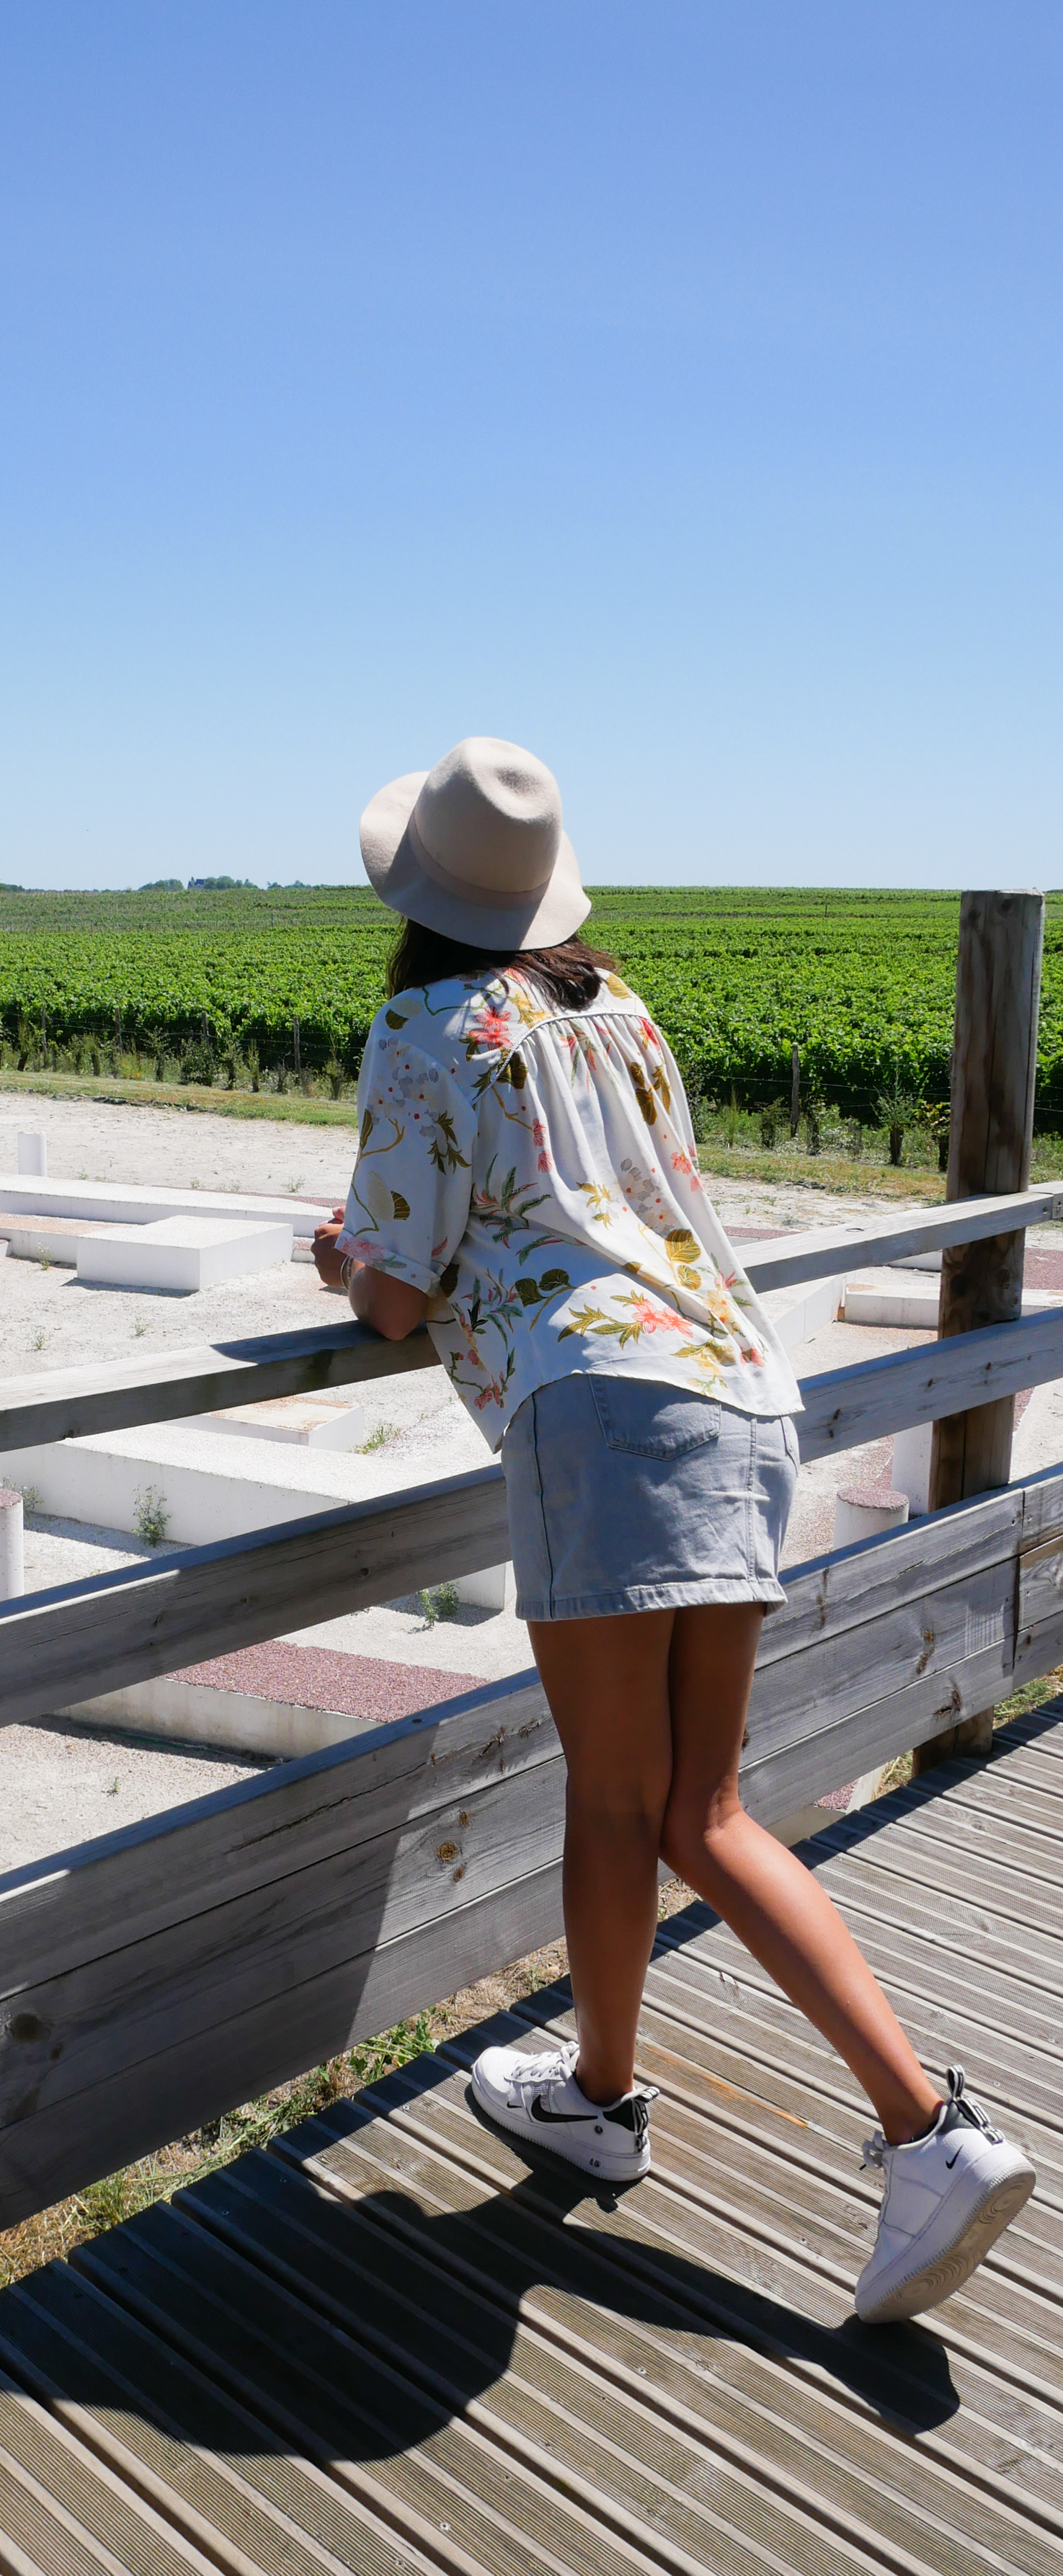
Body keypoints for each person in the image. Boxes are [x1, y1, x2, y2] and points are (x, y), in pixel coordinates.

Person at [311, 735, 1035, 2325]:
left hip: (603, 1415)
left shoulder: (427, 1024)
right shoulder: (615, 1006)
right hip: (737, 1385)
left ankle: (925, 2125)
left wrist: (341, 1256)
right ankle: (612, 2095)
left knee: (630, 1801)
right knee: (700, 1800)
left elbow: (391, 1296)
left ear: (420, 893)